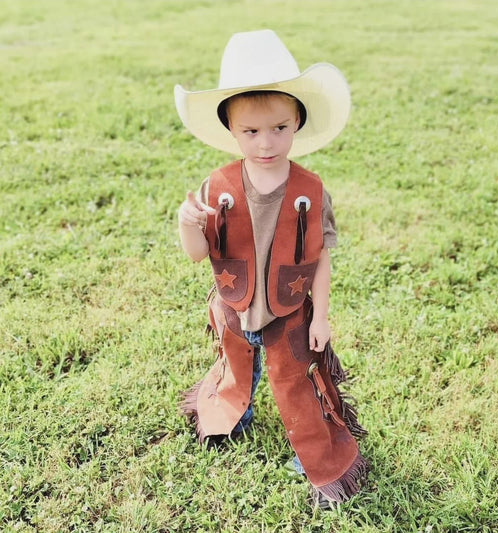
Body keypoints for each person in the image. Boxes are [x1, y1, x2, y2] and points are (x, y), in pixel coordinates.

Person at [175, 29, 369, 509]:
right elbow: (198, 254)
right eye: (251, 132)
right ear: (232, 130)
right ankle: (230, 418)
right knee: (237, 370)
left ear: (298, 121)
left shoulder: (311, 188)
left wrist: (320, 316)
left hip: (288, 312)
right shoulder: (217, 185)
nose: (266, 142)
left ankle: (317, 458)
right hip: (236, 306)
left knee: (299, 384)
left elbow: (321, 256)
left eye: (279, 128)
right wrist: (188, 225)